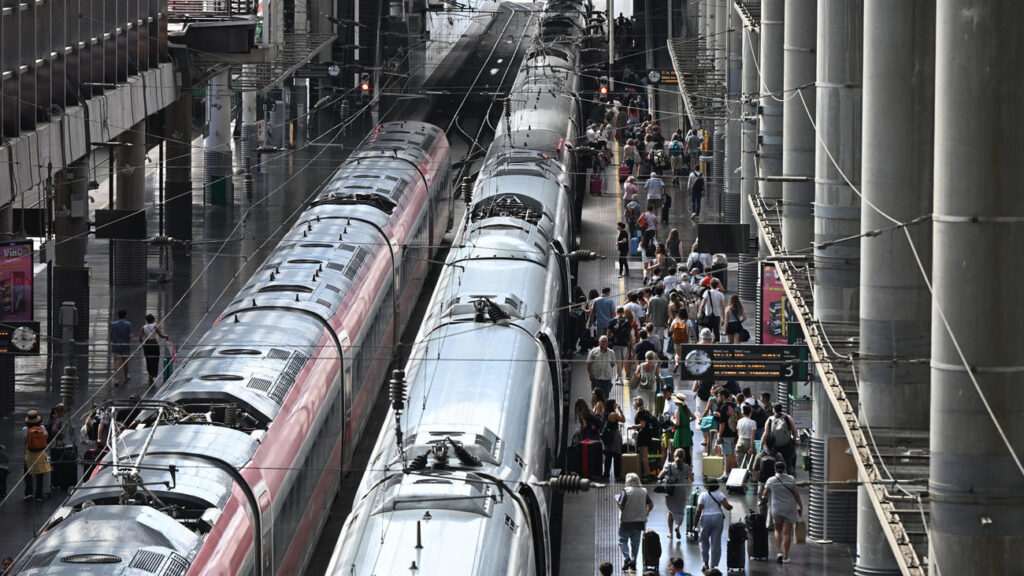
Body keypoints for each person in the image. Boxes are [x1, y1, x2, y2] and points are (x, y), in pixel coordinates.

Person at [760, 460, 803, 564]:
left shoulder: (770, 480)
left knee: (777, 530)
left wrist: (762, 498)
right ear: (785, 469)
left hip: (776, 508)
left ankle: (779, 552)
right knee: (787, 533)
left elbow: (764, 495)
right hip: (789, 508)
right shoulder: (791, 479)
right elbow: (796, 495)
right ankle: (786, 556)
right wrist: (801, 506)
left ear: (775, 469)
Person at [616, 472, 654, 571]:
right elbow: (651, 505)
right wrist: (646, 514)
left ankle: (627, 558)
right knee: (635, 543)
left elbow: (621, 506)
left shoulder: (626, 491)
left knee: (622, 541)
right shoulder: (643, 491)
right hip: (639, 522)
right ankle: (634, 561)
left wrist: (617, 501)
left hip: (626, 521)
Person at [696, 477, 733, 572]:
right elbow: (727, 507)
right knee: (716, 542)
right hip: (718, 518)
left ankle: (705, 563)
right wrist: (731, 506)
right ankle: (714, 566)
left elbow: (699, 510)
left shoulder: (703, 495)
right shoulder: (720, 494)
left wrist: (695, 523)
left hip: (705, 518)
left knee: (704, 542)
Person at [658, 448, 692, 540]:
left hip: (671, 492)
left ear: (674, 456)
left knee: (670, 511)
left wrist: (662, 479)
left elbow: (660, 476)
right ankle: (677, 527)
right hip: (681, 491)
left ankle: (670, 532)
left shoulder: (669, 466)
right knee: (680, 511)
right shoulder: (687, 467)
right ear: (684, 457)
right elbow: (690, 479)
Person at [762, 403, 799, 474]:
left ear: (773, 410)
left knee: (774, 464)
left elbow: (765, 434)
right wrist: (795, 440)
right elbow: (794, 430)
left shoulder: (770, 419)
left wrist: (761, 445)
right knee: (789, 462)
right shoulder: (787, 418)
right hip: (786, 445)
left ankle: (776, 477)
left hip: (774, 447)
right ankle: (791, 476)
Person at [23, 410, 50, 502]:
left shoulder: (25, 429)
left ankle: (28, 493)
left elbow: (25, 441)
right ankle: (39, 495)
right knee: (40, 475)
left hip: (29, 454)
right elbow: (46, 437)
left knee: (28, 474)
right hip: (40, 454)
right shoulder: (42, 428)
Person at [630, 397, 657, 479]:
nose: (633, 405)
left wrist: (634, 426)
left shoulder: (640, 412)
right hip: (647, 435)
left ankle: (647, 474)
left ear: (636, 404)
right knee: (644, 456)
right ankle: (646, 473)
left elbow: (642, 425)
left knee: (644, 456)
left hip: (643, 436)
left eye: (634, 404)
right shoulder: (646, 411)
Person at [139, 314, 169, 386]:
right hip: (154, 343)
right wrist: (166, 336)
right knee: (155, 359)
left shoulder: (143, 327)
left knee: (148, 359)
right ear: (153, 319)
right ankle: (153, 374)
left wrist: (143, 343)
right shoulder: (155, 326)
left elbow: (140, 338)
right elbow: (161, 335)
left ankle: (150, 375)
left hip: (147, 344)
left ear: (146, 320)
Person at [608, 307, 634, 383]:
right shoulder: (627, 322)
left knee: (619, 361)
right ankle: (619, 377)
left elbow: (608, 333)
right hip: (625, 344)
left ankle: (619, 376)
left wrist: (610, 339)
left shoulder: (612, 321)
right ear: (623, 312)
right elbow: (629, 334)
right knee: (622, 361)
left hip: (616, 344)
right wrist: (630, 344)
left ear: (616, 312)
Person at [716, 388, 739, 473]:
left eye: (719, 396)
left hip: (726, 434)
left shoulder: (723, 407)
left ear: (722, 396)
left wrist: (719, 435)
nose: (718, 398)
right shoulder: (734, 406)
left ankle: (726, 473)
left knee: (727, 454)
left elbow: (722, 424)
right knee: (733, 454)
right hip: (734, 433)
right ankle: (734, 472)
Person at [602, 398, 625, 481]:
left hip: (608, 436)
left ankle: (606, 474)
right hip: (614, 436)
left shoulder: (605, 413)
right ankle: (617, 475)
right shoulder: (614, 414)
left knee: (608, 456)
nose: (616, 404)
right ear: (612, 405)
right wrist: (620, 410)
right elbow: (623, 420)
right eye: (615, 403)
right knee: (616, 456)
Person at [110, 309, 133, 387]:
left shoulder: (113, 324)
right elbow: (129, 336)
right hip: (125, 345)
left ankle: (116, 379)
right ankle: (126, 376)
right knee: (125, 361)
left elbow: (111, 335)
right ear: (125, 315)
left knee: (116, 361)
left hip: (115, 344)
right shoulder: (128, 324)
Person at [699, 278, 726, 343]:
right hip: (717, 316)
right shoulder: (720, 294)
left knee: (707, 332)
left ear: (710, 285)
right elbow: (723, 307)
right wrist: (723, 318)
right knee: (716, 332)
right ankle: (716, 347)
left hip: (708, 315)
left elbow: (702, 304)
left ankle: (707, 345)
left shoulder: (707, 293)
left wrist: (700, 313)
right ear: (717, 285)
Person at [672, 392, 695, 464]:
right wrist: (687, 422)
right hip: (687, 432)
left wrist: (672, 419)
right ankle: (688, 467)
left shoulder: (678, 410)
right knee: (687, 452)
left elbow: (677, 423)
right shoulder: (686, 409)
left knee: (679, 451)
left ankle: (680, 468)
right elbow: (694, 417)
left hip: (680, 433)